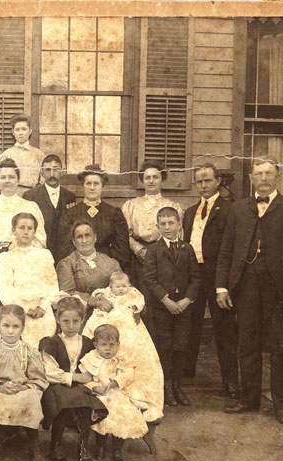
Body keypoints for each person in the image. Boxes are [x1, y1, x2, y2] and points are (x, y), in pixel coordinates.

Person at [216, 158, 283, 424]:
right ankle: (249, 398)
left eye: (268, 173)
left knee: (280, 346)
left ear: (278, 177)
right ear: (251, 178)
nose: (263, 178)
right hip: (246, 284)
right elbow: (226, 250)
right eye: (258, 174)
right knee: (246, 343)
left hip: (279, 290)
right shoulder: (239, 209)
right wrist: (222, 286)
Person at [84, 271, 164, 450]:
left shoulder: (132, 293)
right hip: (108, 327)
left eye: (124, 286)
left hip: (128, 329)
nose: (121, 290)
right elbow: (98, 294)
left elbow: (140, 301)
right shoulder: (106, 293)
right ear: (111, 286)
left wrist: (135, 309)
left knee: (139, 359)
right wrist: (99, 297)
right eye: (117, 287)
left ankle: (138, 400)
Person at [182, 164, 239, 397]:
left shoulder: (230, 210)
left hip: (217, 275)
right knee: (190, 325)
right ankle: (186, 376)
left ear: (218, 182)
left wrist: (223, 283)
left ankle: (231, 381)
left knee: (224, 328)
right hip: (193, 276)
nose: (203, 185)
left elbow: (231, 249)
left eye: (207, 181)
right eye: (199, 181)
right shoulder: (189, 212)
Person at [39, 296, 107, 461]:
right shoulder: (51, 342)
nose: (70, 326)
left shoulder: (87, 343)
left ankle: (84, 447)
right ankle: (55, 446)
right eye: (65, 321)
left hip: (79, 389)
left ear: (83, 320)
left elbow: (94, 368)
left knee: (84, 402)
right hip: (55, 388)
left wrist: (88, 380)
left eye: (75, 321)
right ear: (57, 319)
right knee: (65, 401)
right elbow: (50, 373)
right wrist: (75, 377)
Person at [0, 304, 49, 461]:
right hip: (0, 390)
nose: (10, 331)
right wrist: (0, 386)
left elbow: (39, 379)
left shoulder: (30, 352)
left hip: (23, 390)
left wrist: (23, 387)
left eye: (15, 326)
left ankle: (34, 446)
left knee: (31, 398)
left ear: (23, 328)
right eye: (6, 326)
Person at [143, 207, 200, 408]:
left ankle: (177, 385)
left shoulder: (187, 248)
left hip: (184, 308)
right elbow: (149, 280)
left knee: (180, 346)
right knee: (164, 347)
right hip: (162, 309)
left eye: (171, 223)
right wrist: (166, 300)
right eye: (163, 224)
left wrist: (187, 300)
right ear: (157, 226)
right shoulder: (152, 250)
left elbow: (196, 278)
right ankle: (165, 387)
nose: (167, 227)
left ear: (179, 225)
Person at [121, 161, 183, 326]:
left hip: (162, 258)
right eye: (147, 177)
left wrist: (155, 252)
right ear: (142, 180)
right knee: (139, 299)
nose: (151, 181)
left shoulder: (171, 206)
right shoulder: (131, 205)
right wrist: (139, 249)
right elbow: (123, 234)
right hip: (137, 258)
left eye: (155, 177)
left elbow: (176, 235)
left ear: (162, 179)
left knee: (158, 299)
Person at [79, 324, 149, 461]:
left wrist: (116, 382)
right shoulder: (90, 359)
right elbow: (85, 378)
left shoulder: (121, 358)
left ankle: (117, 449)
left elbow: (129, 374)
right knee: (101, 417)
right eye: (103, 344)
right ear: (95, 344)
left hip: (118, 393)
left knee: (122, 414)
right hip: (98, 395)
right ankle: (100, 445)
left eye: (112, 345)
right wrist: (95, 387)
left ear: (118, 344)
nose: (108, 349)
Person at [0, 213, 59, 347]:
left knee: (45, 348)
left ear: (34, 231)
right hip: (18, 313)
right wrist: (23, 309)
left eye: (30, 228)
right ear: (13, 231)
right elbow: (5, 290)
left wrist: (43, 306)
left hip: (43, 312)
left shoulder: (44, 255)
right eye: (21, 228)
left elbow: (53, 285)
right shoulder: (6, 258)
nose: (26, 232)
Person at [58, 164, 130, 268]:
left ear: (102, 186)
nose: (92, 188)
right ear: (82, 186)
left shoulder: (114, 213)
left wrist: (107, 265)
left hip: (107, 266)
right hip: (78, 267)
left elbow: (122, 248)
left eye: (96, 184)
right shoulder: (70, 213)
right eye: (88, 183)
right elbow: (65, 248)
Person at [56, 222, 121, 322]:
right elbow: (67, 294)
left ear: (94, 238)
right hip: (83, 315)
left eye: (87, 235)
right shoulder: (67, 264)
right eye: (79, 237)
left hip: (113, 311)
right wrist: (95, 302)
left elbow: (123, 285)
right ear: (74, 242)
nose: (84, 240)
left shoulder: (110, 262)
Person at [23, 154, 76, 263]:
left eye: (56, 170)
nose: (52, 174)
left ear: (62, 171)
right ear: (41, 173)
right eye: (47, 170)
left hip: (64, 253)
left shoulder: (70, 196)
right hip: (39, 253)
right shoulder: (30, 196)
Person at [0, 114, 45, 193]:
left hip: (33, 193)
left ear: (30, 131)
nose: (20, 133)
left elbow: (43, 178)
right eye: (17, 130)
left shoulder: (39, 154)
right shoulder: (7, 154)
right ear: (13, 132)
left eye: (24, 129)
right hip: (12, 193)